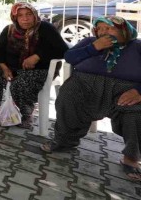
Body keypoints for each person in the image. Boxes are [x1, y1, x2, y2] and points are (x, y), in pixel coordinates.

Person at [41, 16, 141, 182]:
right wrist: (93, 48)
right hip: (85, 85)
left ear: (124, 31)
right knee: (68, 95)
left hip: (124, 91)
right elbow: (69, 57)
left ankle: (131, 157)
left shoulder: (136, 47)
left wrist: (138, 91)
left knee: (136, 113)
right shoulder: (90, 42)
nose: (103, 32)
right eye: (99, 29)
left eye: (108, 28)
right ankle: (64, 141)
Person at [0, 2, 68, 128]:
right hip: (11, 67)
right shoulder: (9, 30)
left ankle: (26, 115)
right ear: (15, 17)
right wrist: (4, 68)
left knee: (21, 83)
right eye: (20, 15)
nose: (25, 18)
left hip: (38, 69)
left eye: (28, 14)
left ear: (34, 15)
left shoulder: (46, 28)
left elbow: (63, 50)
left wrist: (37, 56)